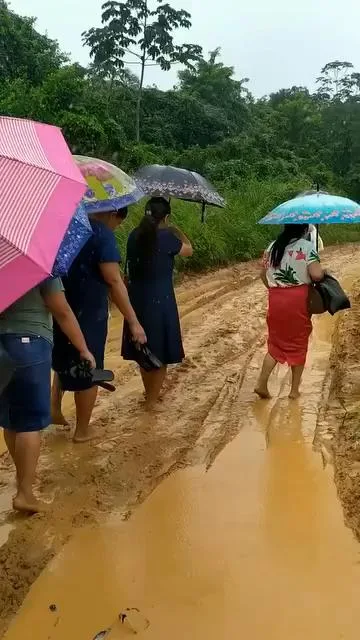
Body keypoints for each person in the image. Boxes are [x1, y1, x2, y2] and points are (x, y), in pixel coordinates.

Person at [0, 278, 95, 514]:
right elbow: (62, 311)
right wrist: (83, 349)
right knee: (30, 423)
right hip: (29, 343)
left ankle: (23, 479)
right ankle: (25, 493)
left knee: (12, 418)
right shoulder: (37, 264)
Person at [51, 208, 146, 443]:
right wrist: (133, 321)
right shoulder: (101, 233)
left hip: (59, 303)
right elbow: (113, 279)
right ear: (113, 214)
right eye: (119, 222)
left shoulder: (63, 224)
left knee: (64, 358)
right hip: (89, 309)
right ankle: (82, 430)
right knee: (89, 364)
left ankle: (54, 408)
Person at [122, 197, 193, 406]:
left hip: (137, 298)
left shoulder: (134, 235)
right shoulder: (167, 237)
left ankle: (148, 393)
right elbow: (189, 250)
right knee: (160, 350)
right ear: (166, 217)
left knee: (143, 349)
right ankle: (152, 400)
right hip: (161, 298)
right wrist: (176, 230)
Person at [255, 224, 324, 400]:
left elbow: (263, 274)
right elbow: (316, 275)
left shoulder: (272, 246)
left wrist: (275, 290)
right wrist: (322, 270)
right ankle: (294, 391)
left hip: (276, 298)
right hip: (298, 300)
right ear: (303, 230)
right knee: (298, 342)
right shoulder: (307, 247)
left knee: (276, 343)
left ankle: (261, 383)